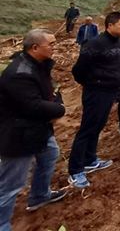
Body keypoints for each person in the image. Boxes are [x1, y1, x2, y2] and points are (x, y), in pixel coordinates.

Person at [0, 30, 67, 228]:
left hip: (37, 129)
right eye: (51, 44)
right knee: (11, 183)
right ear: (35, 48)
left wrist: (57, 101)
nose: (55, 47)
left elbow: (51, 90)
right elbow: (33, 106)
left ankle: (39, 195)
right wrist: (60, 109)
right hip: (19, 135)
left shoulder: (38, 65)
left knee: (50, 154)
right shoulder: (20, 74)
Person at [68, 12, 120, 188]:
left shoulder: (118, 41)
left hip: (110, 90)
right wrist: (91, 83)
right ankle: (75, 170)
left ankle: (90, 159)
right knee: (87, 128)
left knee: (98, 125)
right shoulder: (95, 44)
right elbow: (78, 69)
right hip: (96, 91)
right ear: (110, 25)